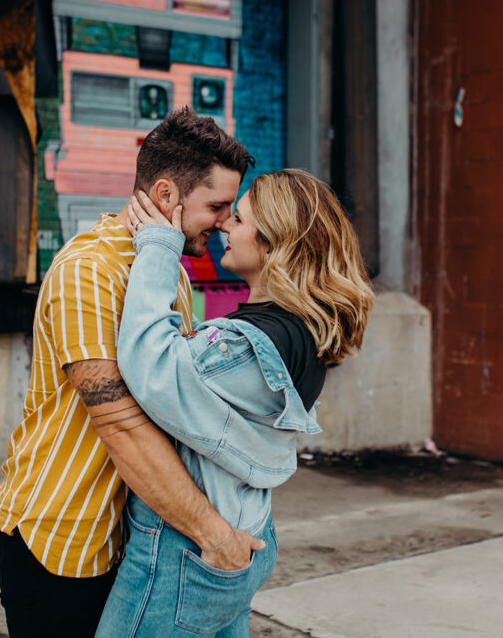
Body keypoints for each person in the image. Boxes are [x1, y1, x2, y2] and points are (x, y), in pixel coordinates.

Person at [0, 107, 262, 637]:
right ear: (166, 197)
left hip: (128, 537)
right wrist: (214, 533)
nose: (228, 222)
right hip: (60, 540)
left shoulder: (168, 276)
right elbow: (121, 425)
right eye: (217, 206)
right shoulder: (89, 271)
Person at [96, 169, 375, 636]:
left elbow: (150, 366)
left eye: (239, 219)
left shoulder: (245, 344)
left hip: (185, 555)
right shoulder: (301, 331)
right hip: (239, 537)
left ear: (272, 243)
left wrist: (159, 247)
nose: (225, 225)